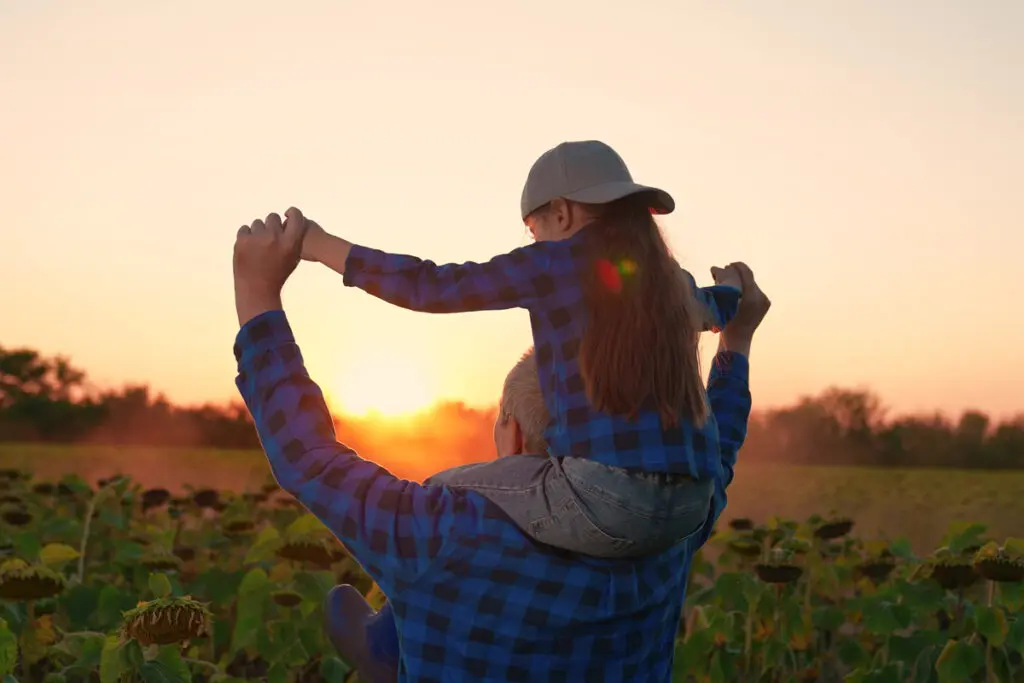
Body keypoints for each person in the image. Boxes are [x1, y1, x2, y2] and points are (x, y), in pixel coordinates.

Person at [230, 206, 770, 682]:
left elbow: (307, 456)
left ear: (511, 430)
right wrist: (735, 344)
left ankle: (383, 645)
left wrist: (258, 297)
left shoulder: (444, 529)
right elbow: (717, 457)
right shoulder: (668, 531)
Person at [294, 140, 745, 559]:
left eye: (533, 228)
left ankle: (387, 636)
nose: (534, 240)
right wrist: (734, 289)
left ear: (562, 213)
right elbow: (719, 308)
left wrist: (317, 244)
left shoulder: (552, 263)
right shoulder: (671, 280)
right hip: (691, 505)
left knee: (437, 498)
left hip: (606, 500)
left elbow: (430, 286)